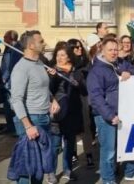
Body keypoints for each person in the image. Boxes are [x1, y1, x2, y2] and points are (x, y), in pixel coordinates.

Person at [87, 38, 134, 183]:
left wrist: (128, 73)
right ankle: (108, 179)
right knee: (109, 151)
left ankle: (130, 172)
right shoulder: (96, 71)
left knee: (129, 145)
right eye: (110, 50)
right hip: (107, 117)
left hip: (124, 113)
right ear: (102, 50)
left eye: (116, 49)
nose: (114, 52)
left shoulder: (119, 64)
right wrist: (109, 115)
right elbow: (96, 97)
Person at [10, 30, 60, 184]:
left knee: (40, 166)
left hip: (44, 117)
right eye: (41, 41)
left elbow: (43, 88)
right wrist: (28, 126)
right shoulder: (21, 68)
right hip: (31, 119)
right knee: (28, 165)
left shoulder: (39, 63)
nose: (44, 43)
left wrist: (53, 99)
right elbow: (16, 99)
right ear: (31, 45)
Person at [49, 45, 86, 182]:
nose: (59, 58)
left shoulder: (76, 71)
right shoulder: (52, 71)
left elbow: (84, 90)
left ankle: (67, 170)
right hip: (57, 113)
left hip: (72, 112)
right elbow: (49, 90)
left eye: (63, 55)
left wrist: (77, 83)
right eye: (57, 55)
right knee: (55, 144)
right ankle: (51, 172)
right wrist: (53, 78)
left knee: (70, 144)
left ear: (69, 57)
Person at [66, 38, 95, 169]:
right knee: (71, 128)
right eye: (76, 48)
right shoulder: (67, 64)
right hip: (70, 98)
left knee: (86, 127)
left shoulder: (86, 63)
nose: (79, 49)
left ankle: (88, 153)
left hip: (83, 97)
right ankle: (72, 153)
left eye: (80, 47)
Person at [0, 30, 21, 135]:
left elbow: (10, 66)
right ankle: (10, 127)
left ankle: (14, 128)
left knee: (12, 106)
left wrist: (3, 79)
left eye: (5, 37)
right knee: (7, 106)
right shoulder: (8, 48)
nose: (3, 39)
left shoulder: (13, 49)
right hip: (8, 82)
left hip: (10, 82)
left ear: (11, 38)